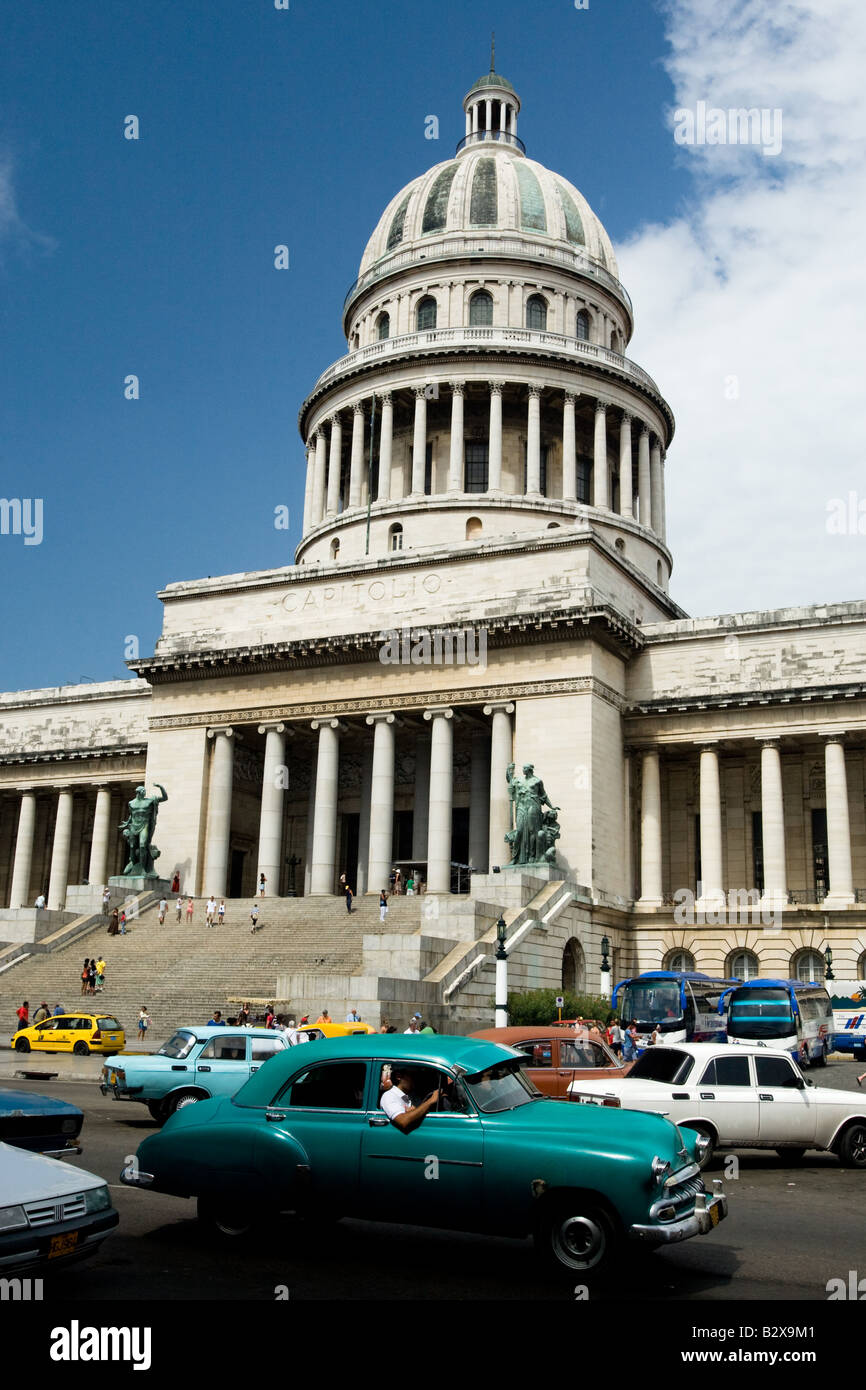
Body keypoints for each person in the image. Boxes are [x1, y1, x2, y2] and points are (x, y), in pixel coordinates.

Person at [380, 1066, 439, 1132]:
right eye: (412, 1075)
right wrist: (431, 1101)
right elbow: (403, 1121)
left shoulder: (406, 1095)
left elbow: (413, 1110)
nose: (416, 1079)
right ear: (398, 1076)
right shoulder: (389, 1096)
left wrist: (413, 1111)